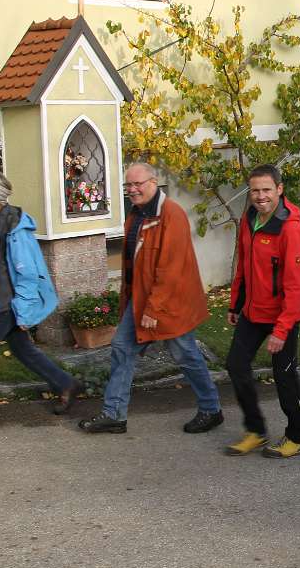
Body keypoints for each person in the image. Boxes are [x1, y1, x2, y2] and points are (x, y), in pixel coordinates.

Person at [80, 163, 222, 435]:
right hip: (142, 299)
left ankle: (211, 408)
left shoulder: (172, 215)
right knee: (122, 348)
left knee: (185, 354)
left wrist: (154, 309)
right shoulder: (136, 215)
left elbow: (169, 268)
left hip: (171, 302)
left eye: (137, 184)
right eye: (128, 186)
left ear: (153, 182)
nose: (132, 190)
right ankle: (114, 415)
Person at [0, 170, 78, 424]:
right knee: (23, 350)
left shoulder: (15, 230)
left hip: (11, 303)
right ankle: (66, 384)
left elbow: (28, 276)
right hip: (3, 300)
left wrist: (23, 312)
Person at [221, 164, 300, 458]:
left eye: (266, 190)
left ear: (279, 190)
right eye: (255, 190)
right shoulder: (249, 220)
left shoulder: (290, 229)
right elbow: (244, 267)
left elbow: (295, 287)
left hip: (282, 316)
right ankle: (256, 431)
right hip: (252, 311)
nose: (260, 196)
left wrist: (281, 330)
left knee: (284, 376)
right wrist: (236, 303)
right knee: (236, 365)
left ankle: (296, 437)